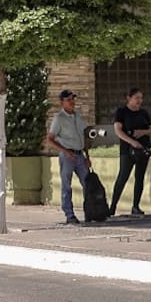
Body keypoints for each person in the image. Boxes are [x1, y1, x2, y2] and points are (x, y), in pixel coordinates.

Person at [46, 89, 92, 226]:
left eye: (73, 99)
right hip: (68, 156)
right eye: (68, 100)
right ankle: (69, 214)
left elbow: (84, 135)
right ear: (62, 102)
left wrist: (87, 156)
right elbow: (50, 139)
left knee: (88, 184)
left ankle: (91, 212)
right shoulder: (59, 118)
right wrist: (65, 151)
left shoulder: (78, 116)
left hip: (80, 154)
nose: (72, 102)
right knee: (67, 186)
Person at [110, 86, 151, 218]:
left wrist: (142, 132)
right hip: (127, 150)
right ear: (129, 98)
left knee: (139, 178)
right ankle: (112, 206)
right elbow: (118, 130)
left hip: (143, 149)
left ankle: (136, 206)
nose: (139, 101)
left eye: (141, 98)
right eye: (136, 98)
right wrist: (131, 141)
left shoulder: (144, 113)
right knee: (122, 177)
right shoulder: (122, 112)